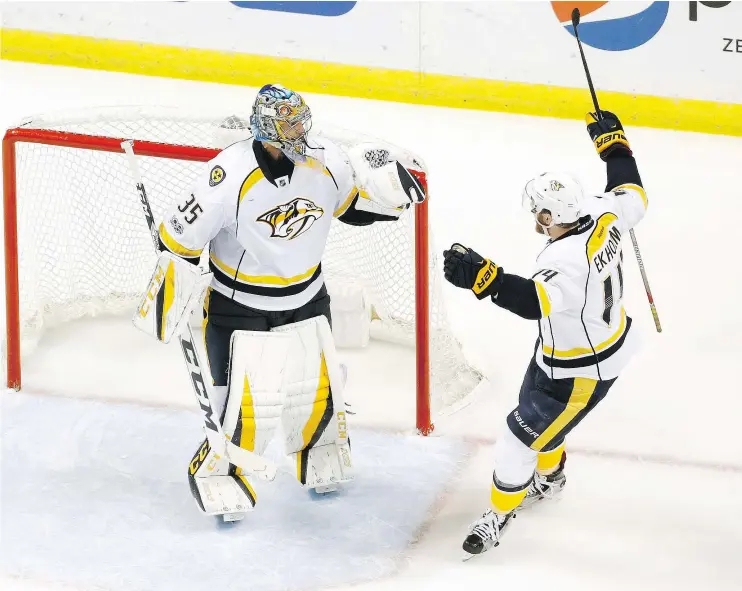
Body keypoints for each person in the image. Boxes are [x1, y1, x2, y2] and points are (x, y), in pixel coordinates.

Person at [138, 83, 427, 521]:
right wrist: (170, 290)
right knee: (247, 407)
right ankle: (219, 471)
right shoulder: (227, 175)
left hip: (310, 296)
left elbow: (348, 206)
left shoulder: (325, 158)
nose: (300, 129)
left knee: (317, 389)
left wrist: (389, 203)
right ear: (266, 129)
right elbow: (176, 238)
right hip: (241, 308)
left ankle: (319, 452)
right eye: (289, 123)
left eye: (301, 120)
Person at [442, 110, 647, 556]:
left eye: (540, 213)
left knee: (518, 435)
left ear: (553, 214)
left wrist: (486, 279)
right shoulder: (604, 211)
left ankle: (499, 514)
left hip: (582, 370)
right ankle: (550, 478)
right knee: (533, 418)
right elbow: (632, 191)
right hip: (569, 347)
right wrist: (613, 145)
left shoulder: (567, 262)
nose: (536, 219)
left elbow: (535, 301)